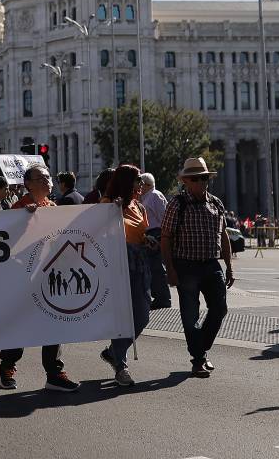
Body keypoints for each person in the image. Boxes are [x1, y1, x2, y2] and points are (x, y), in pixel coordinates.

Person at [0, 164, 81, 393]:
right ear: (28, 184)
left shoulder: (53, 207)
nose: (47, 180)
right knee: (20, 326)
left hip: (50, 277)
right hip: (23, 278)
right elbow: (7, 243)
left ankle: (54, 373)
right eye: (41, 178)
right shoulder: (17, 209)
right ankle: (8, 365)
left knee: (54, 324)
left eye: (48, 177)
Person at [160, 157, 233, 379]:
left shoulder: (216, 203)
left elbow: (224, 235)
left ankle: (200, 347)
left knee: (220, 309)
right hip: (186, 266)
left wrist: (229, 266)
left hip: (212, 265)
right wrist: (170, 269)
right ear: (186, 182)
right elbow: (165, 238)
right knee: (190, 315)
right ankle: (198, 359)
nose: (202, 183)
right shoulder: (177, 204)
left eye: (204, 179)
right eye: (196, 179)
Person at [97, 165, 152, 387]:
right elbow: (98, 232)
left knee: (142, 316)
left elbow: (141, 233)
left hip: (140, 263)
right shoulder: (108, 205)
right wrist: (113, 213)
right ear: (126, 182)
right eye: (137, 180)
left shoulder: (139, 206)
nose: (140, 184)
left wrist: (148, 241)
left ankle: (113, 352)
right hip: (119, 265)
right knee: (122, 317)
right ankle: (121, 365)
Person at [139, 173, 171, 309]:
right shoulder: (145, 197)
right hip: (149, 234)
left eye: (141, 183)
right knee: (152, 268)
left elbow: (164, 217)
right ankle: (158, 296)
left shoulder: (155, 195)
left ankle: (163, 298)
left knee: (157, 268)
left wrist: (162, 237)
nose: (139, 186)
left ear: (147, 184)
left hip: (156, 233)